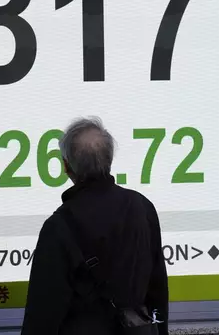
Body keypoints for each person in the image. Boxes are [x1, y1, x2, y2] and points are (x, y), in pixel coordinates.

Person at [21, 117, 168, 335]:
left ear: (66, 166)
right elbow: (157, 288)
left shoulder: (59, 226)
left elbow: (42, 311)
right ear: (109, 159)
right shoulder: (142, 207)